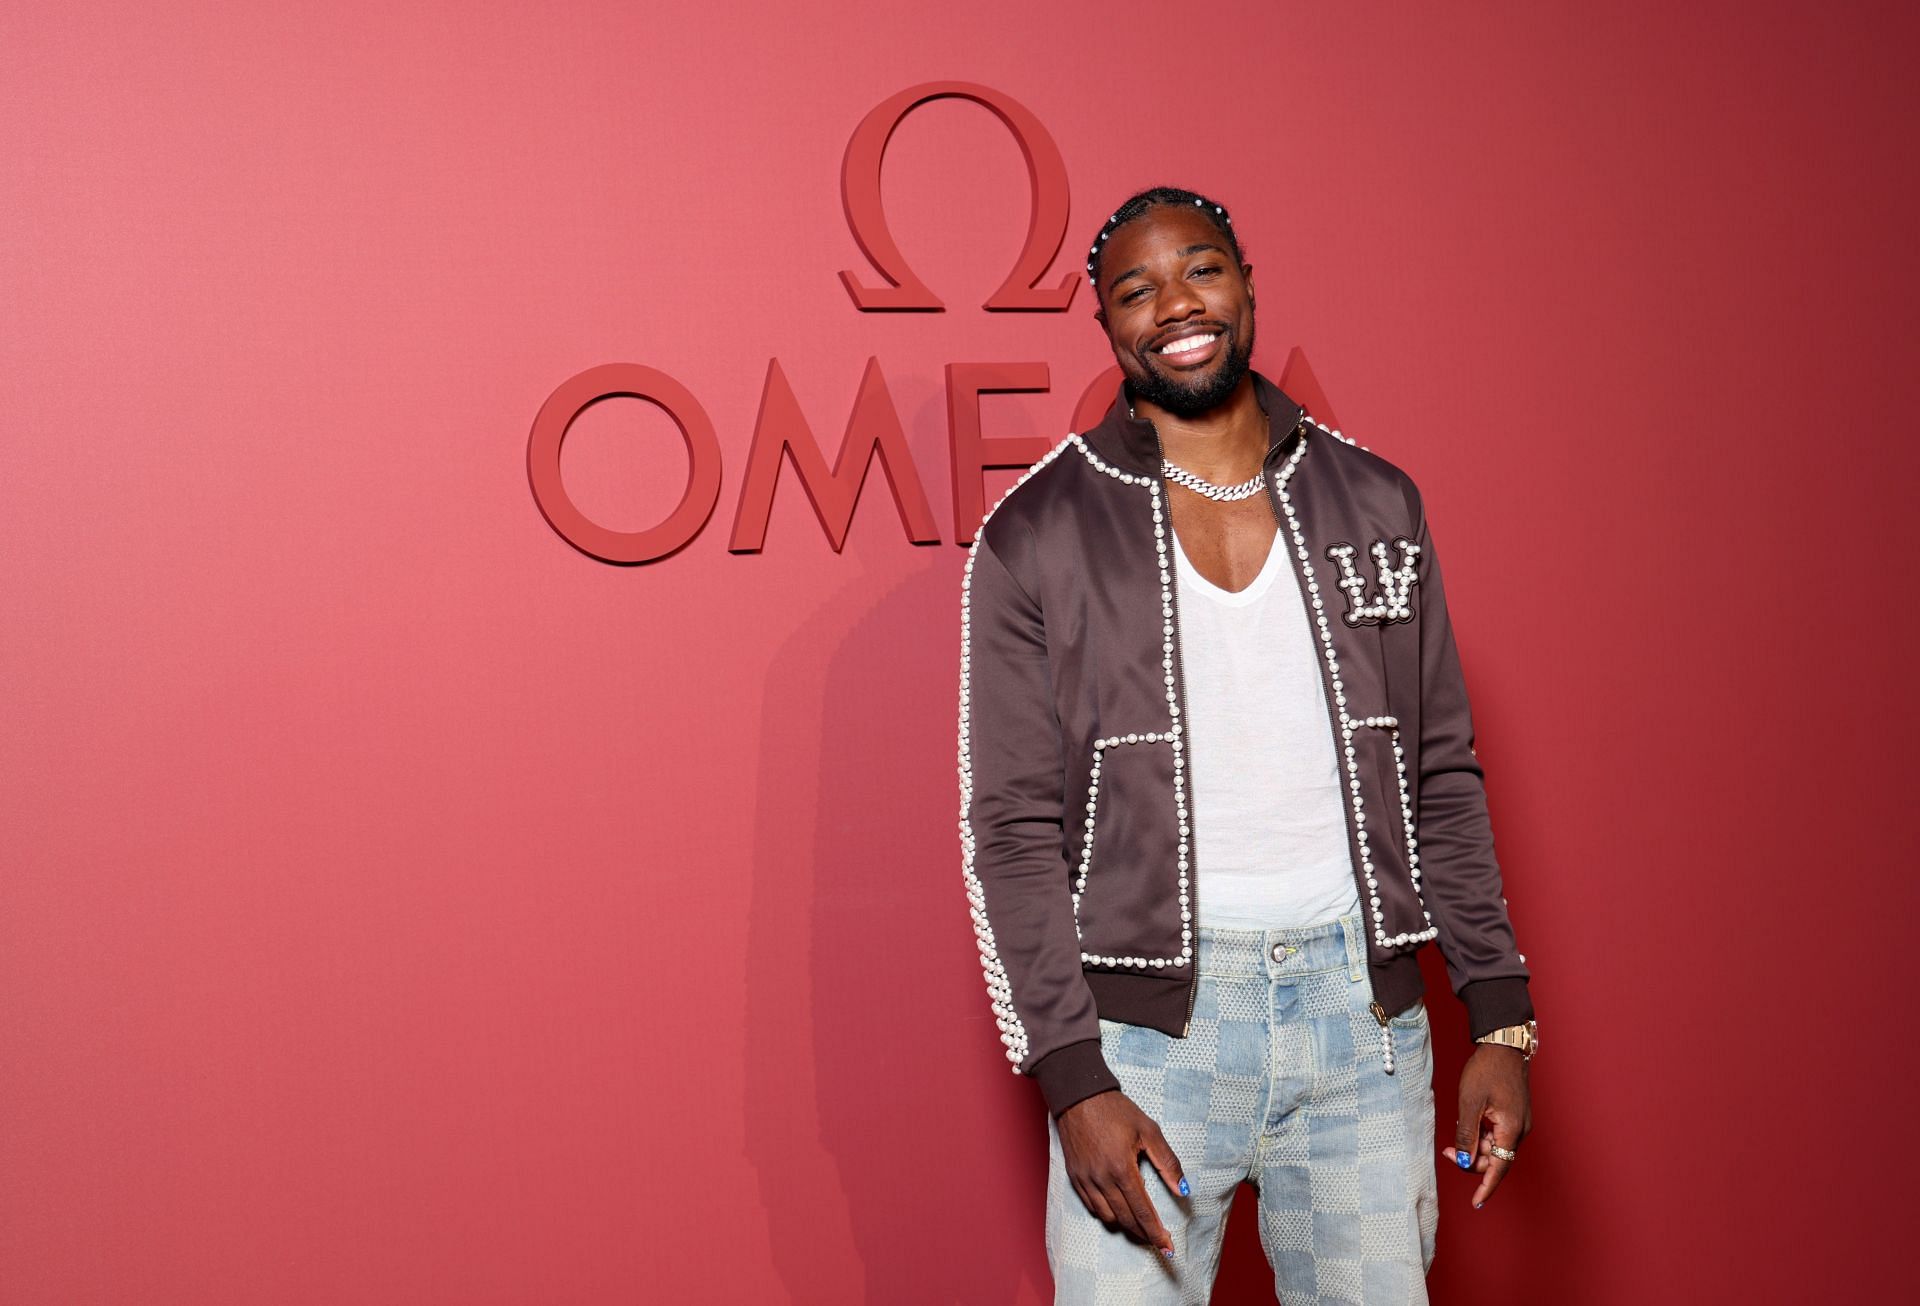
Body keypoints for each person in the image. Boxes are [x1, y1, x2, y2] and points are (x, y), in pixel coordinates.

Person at [956, 186, 1538, 1304]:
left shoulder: (1377, 501)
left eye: (1202, 269)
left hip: (1363, 1032)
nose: (1176, 303)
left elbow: (1443, 777)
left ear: (1248, 282)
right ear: (1108, 328)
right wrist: (1074, 1078)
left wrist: (1499, 1012)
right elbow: (1010, 829)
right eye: (1136, 289)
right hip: (1149, 1044)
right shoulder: (1037, 532)